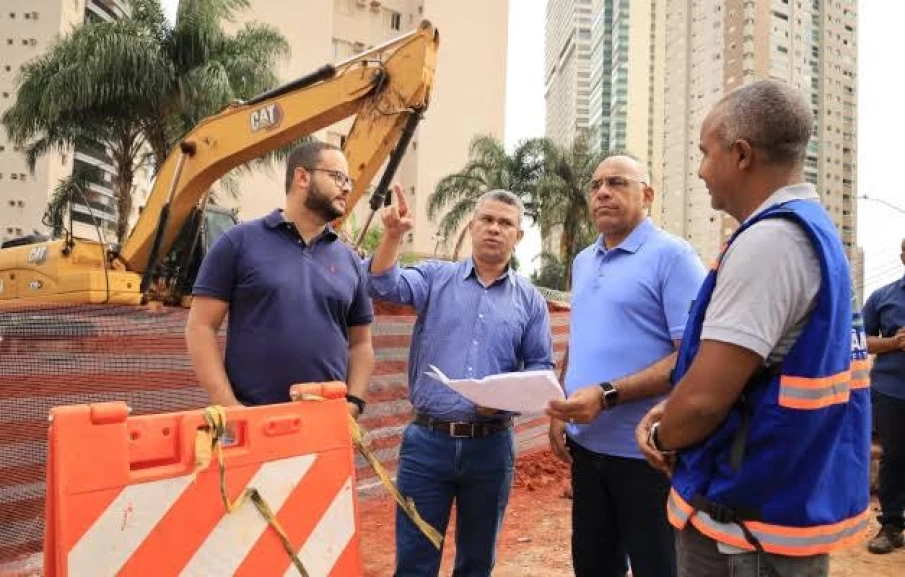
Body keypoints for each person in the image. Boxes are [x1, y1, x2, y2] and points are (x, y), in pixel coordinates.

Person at [635, 79, 870, 577]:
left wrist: (661, 434)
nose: (700, 170)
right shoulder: (811, 231)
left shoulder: (771, 244)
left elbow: (703, 401)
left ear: (741, 154)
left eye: (705, 153)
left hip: (745, 529)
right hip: (773, 506)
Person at [367, 186, 554, 577]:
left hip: (491, 447)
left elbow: (541, 367)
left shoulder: (531, 301)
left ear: (518, 236)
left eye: (505, 223)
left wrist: (505, 401)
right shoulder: (437, 278)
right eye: (486, 219)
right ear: (471, 226)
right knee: (415, 557)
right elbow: (383, 284)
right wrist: (393, 235)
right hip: (427, 443)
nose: (494, 229)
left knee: (477, 559)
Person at [546, 155, 706, 577]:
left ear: (647, 195)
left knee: (658, 567)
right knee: (594, 566)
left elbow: (692, 357)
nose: (602, 192)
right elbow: (579, 341)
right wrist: (561, 408)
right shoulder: (583, 261)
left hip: (646, 457)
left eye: (616, 182)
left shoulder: (673, 257)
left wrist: (607, 394)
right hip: (588, 453)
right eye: (596, 184)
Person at [185, 141, 374, 417]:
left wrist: (354, 402)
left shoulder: (350, 261)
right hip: (254, 422)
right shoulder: (238, 243)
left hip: (328, 424)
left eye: (348, 180)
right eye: (337, 177)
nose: (347, 187)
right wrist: (230, 407)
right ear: (302, 177)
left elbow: (361, 344)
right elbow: (200, 327)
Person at [862, 237, 905, 554]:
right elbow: (857, 339)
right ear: (902, 255)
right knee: (894, 456)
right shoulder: (883, 297)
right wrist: (892, 343)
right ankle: (891, 526)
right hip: (892, 389)